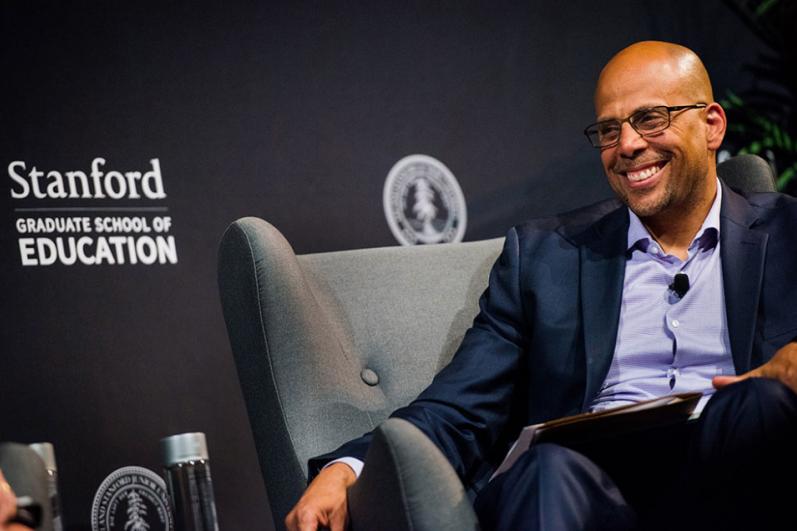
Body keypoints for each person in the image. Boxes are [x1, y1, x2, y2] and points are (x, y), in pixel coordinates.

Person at [286, 41, 797, 531]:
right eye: (609, 129)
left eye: (650, 118)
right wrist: (350, 467)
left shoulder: (789, 233)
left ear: (711, 125)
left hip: (732, 468)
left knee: (761, 405)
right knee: (545, 469)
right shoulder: (546, 257)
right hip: (588, 490)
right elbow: (461, 406)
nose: (629, 145)